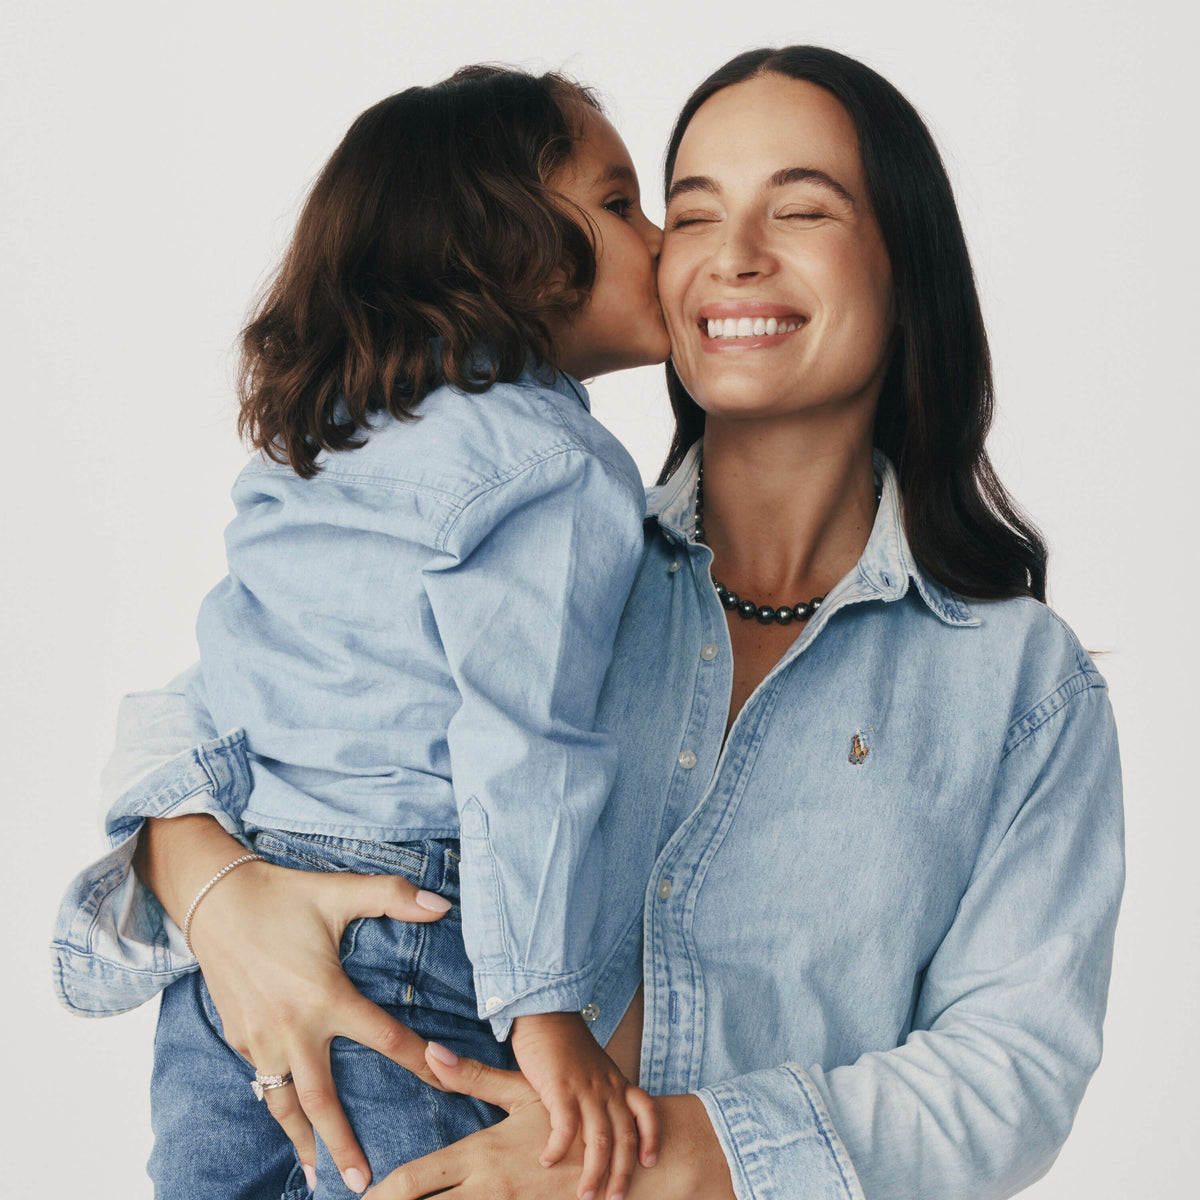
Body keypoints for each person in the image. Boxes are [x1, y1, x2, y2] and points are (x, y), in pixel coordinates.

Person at [53, 46, 1123, 1200]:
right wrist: (221, 895)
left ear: (907, 262)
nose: (729, 255)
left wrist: (653, 1161)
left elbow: (1012, 1073)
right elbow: (216, 707)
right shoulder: (538, 543)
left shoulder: (1021, 687)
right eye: (690, 211)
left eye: (801, 208)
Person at [53, 63, 670, 1200]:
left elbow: (226, 681)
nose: (667, 238)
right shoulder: (560, 467)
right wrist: (544, 1008)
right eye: (624, 204)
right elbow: (521, 740)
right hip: (413, 936)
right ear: (512, 249)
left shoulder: (330, 449)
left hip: (238, 945)